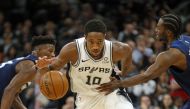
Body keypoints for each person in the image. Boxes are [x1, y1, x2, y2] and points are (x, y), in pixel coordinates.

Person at [96, 13, 190, 109]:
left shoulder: (170, 55)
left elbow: (146, 76)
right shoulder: (187, 39)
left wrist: (118, 84)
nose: (155, 30)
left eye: (159, 27)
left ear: (169, 32)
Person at [36, 19, 134, 109]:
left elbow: (128, 51)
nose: (95, 46)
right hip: (84, 98)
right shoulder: (72, 50)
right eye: (91, 42)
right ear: (85, 37)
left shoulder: (115, 49)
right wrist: (42, 67)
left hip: (111, 94)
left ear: (104, 37)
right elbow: (50, 71)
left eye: (99, 42)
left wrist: (123, 72)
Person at [0, 35, 56, 109]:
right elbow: (8, 91)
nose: (53, 55)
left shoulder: (27, 62)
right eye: (50, 51)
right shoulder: (30, 67)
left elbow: (13, 96)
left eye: (54, 52)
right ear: (36, 51)